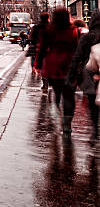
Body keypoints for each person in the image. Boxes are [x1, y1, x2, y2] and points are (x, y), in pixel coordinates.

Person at [35, 7, 79, 137]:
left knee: (57, 90)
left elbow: (42, 49)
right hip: (69, 64)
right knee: (69, 95)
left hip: (53, 64)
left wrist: (37, 65)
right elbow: (77, 48)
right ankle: (67, 124)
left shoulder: (49, 30)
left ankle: (55, 108)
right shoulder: (73, 31)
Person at [69, 10, 100, 142]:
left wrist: (71, 75)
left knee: (93, 102)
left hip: (91, 73)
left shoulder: (87, 37)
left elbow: (77, 56)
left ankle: (95, 130)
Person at [29, 12, 49, 87]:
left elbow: (31, 37)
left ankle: (43, 80)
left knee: (38, 63)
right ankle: (46, 81)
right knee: (47, 65)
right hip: (48, 49)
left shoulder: (36, 27)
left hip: (38, 48)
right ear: (48, 18)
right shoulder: (51, 27)